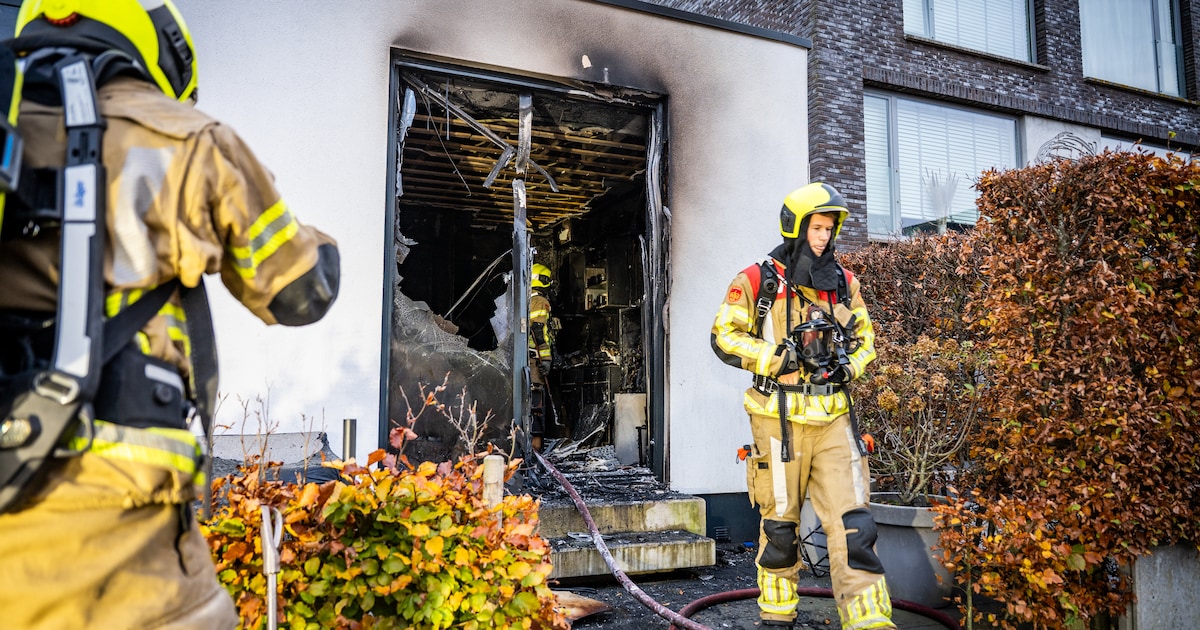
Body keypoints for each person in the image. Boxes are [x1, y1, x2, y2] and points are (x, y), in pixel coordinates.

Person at [0, 1, 339, 628]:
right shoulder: (185, 137)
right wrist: (314, 236)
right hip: (123, 549)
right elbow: (300, 291)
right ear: (162, 42)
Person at [711, 183, 894, 629]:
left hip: (834, 421)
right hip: (778, 426)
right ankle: (777, 616)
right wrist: (776, 360)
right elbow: (724, 336)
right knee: (780, 529)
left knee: (856, 527)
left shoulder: (845, 284)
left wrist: (848, 367)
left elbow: (865, 339)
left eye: (829, 229)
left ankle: (870, 621)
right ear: (795, 226)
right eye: (816, 227)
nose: (823, 237)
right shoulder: (759, 280)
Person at [528, 262, 554, 451]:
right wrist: (546, 359)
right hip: (534, 359)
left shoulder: (522, 300)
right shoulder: (539, 302)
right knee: (535, 404)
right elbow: (538, 331)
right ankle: (535, 451)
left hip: (521, 357)